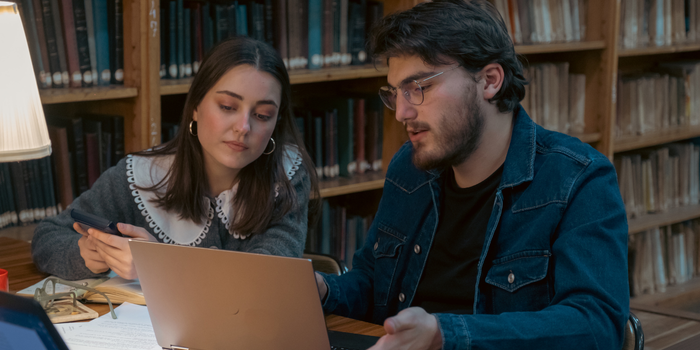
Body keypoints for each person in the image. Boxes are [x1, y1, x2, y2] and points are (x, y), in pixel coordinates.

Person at [314, 1, 629, 349]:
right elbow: (373, 283)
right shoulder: (409, 168)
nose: (401, 112)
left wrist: (445, 334)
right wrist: (324, 289)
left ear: (490, 81)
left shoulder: (578, 179)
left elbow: (596, 325)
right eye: (396, 93)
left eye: (419, 87)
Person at [32, 37, 319, 281]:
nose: (243, 127)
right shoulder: (142, 175)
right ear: (195, 106)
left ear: (276, 123)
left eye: (262, 115)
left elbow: (266, 278)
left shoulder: (288, 174)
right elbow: (48, 237)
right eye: (228, 106)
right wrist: (85, 255)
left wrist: (161, 266)